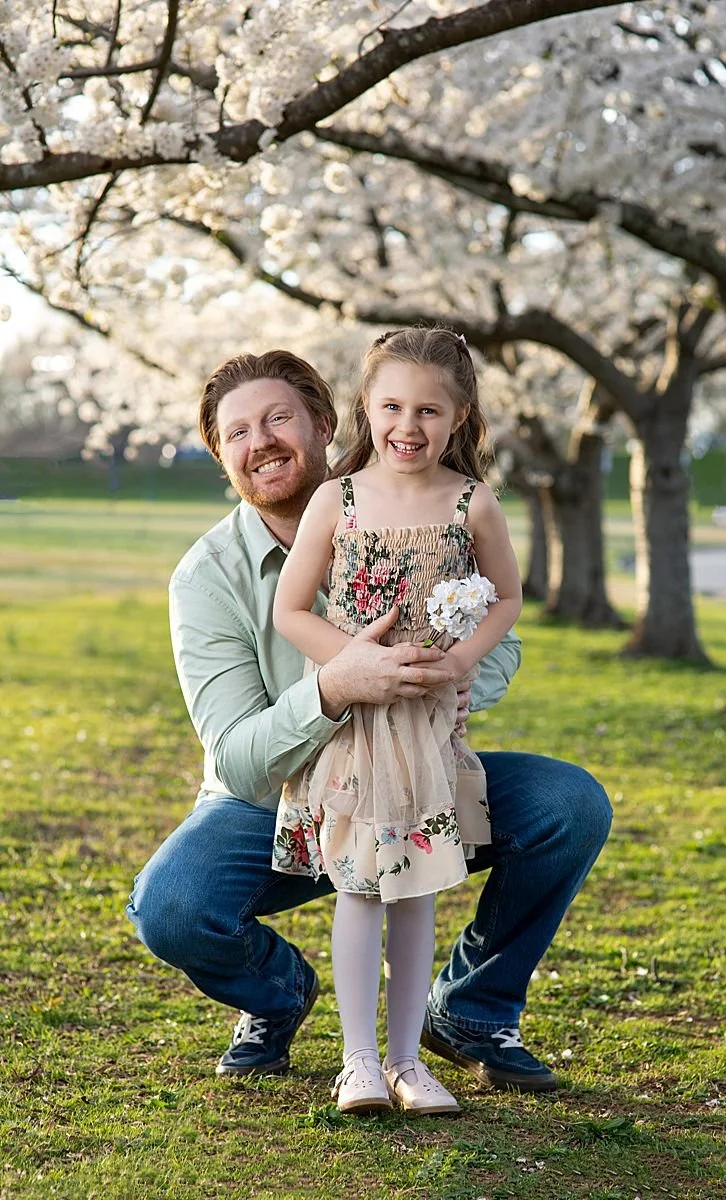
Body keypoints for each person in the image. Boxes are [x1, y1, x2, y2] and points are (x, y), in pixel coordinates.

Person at [126, 339, 611, 1108]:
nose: (262, 445)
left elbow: (499, 632)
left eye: (278, 419)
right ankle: (279, 995)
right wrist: (334, 688)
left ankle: (471, 1012)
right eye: (238, 434)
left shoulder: (435, 502)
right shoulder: (207, 576)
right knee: (172, 905)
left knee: (567, 804)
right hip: (268, 807)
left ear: (323, 421)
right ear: (221, 457)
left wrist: (455, 678)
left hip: (416, 767)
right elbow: (240, 758)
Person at [270, 328, 523, 1114]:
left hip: (425, 731)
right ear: (366, 410)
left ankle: (410, 1061)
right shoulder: (335, 500)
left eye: (428, 411)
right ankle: (358, 1063)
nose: (407, 426)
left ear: (460, 418)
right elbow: (291, 610)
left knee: (416, 889)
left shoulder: (469, 502)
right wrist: (353, 665)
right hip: (355, 729)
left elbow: (508, 597)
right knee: (359, 888)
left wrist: (461, 660)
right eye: (391, 407)